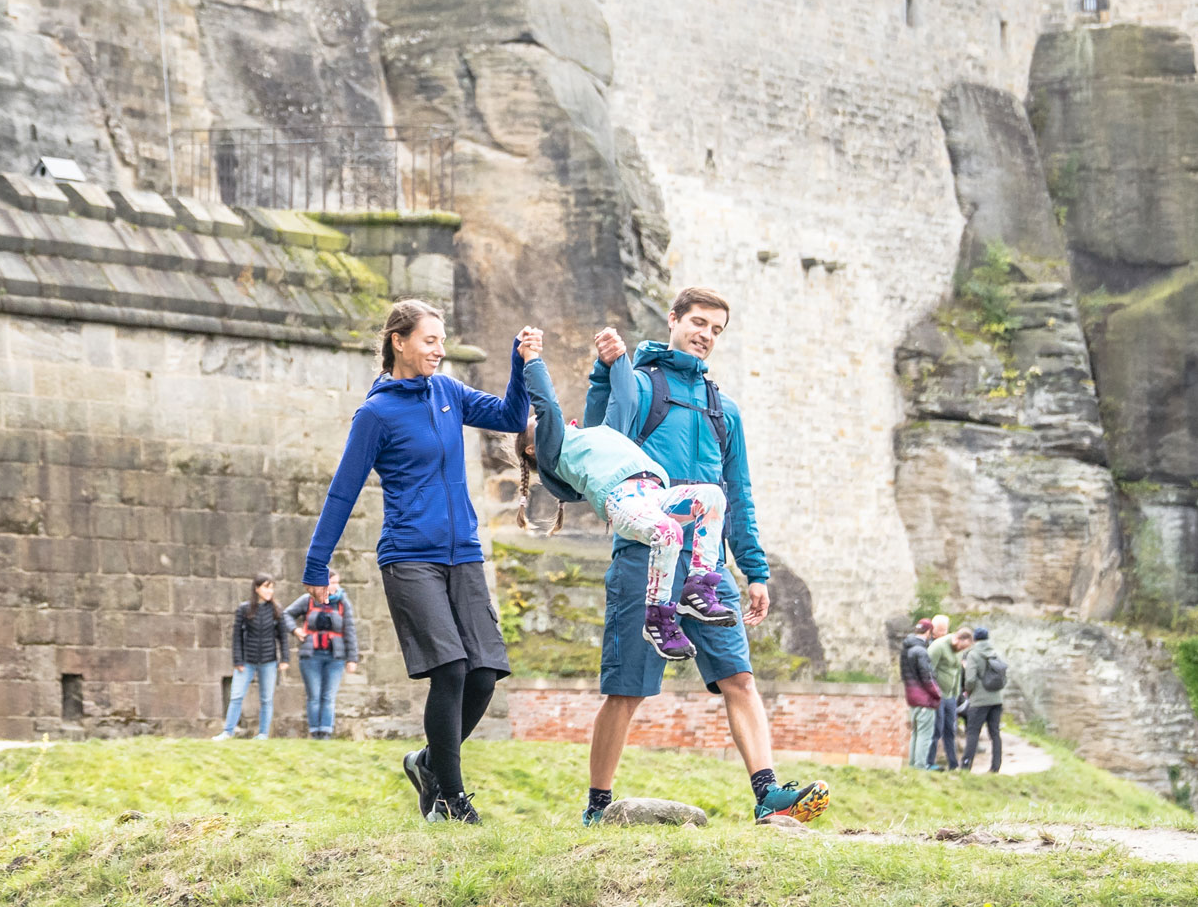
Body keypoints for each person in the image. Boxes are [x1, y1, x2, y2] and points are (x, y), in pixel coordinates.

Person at [577, 289, 830, 828]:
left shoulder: (724, 410)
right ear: (672, 320)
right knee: (626, 690)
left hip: (707, 570)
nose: (706, 335)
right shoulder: (641, 385)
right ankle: (598, 809)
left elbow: (737, 493)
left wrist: (755, 569)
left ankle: (768, 795)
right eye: (698, 322)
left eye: (716, 329)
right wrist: (605, 374)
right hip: (645, 557)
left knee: (739, 677)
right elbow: (600, 438)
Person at [303, 299, 538, 823]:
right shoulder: (376, 414)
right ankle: (452, 801)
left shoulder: (449, 392)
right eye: (430, 339)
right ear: (399, 341)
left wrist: (519, 364)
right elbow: (342, 493)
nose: (439, 348)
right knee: (450, 668)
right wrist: (317, 566)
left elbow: (508, 416)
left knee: (484, 672)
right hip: (410, 556)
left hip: (464, 555)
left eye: (442, 339)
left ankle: (429, 764)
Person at [515, 351, 727, 662]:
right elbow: (546, 405)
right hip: (621, 498)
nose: (540, 419)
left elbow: (625, 398)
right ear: (534, 449)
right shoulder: (554, 450)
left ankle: (698, 587)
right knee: (667, 533)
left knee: (712, 496)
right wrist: (532, 359)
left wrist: (614, 359)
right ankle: (658, 617)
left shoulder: (600, 434)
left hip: (654, 493)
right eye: (533, 423)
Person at [220, 576, 292, 737]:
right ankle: (227, 732)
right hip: (247, 660)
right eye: (266, 587)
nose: (269, 591)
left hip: (269, 661)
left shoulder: (276, 610)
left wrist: (285, 659)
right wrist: (238, 660)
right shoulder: (244, 609)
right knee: (236, 696)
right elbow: (237, 636)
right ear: (256, 589)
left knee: (266, 699)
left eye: (271, 588)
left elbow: (283, 637)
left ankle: (263, 734)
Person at [290, 580, 357, 738]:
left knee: (328, 696)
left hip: (335, 657)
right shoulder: (308, 600)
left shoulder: (342, 603)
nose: (335, 586)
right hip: (311, 655)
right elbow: (287, 614)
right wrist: (295, 630)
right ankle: (315, 732)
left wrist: (352, 659)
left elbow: (350, 630)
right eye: (331, 582)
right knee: (314, 695)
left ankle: (325, 733)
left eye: (337, 582)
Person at [958, 625, 1009, 773]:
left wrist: (968, 691)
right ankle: (995, 766)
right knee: (995, 733)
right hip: (997, 699)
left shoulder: (973, 654)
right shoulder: (994, 652)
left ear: (975, 639)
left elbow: (970, 679)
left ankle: (966, 766)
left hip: (979, 701)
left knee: (973, 732)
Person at [900, 617, 943, 769]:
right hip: (924, 699)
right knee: (925, 735)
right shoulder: (921, 651)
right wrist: (937, 693)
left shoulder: (905, 650)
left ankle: (912, 765)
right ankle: (920, 766)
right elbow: (927, 677)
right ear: (929, 632)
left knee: (915, 733)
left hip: (911, 697)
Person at [926, 617, 964, 771]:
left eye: (944, 630)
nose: (941, 633)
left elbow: (958, 672)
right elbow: (928, 671)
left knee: (950, 729)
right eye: (939, 630)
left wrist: (956, 693)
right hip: (936, 695)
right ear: (933, 629)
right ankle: (929, 762)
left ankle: (953, 763)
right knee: (936, 729)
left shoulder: (955, 647)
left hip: (950, 696)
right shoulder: (933, 646)